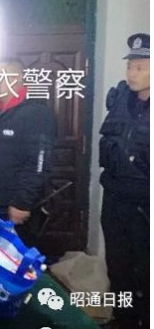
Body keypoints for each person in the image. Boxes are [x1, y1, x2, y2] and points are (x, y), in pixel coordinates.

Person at [0, 58, 56, 240]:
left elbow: (38, 163)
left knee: (13, 255)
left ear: (15, 79)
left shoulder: (36, 113)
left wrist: (22, 202)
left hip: (14, 205)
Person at [99, 33, 149, 329]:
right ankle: (123, 320)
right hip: (115, 200)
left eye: (141, 67)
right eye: (130, 66)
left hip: (146, 205)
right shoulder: (120, 98)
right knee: (118, 269)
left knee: (146, 272)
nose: (132, 73)